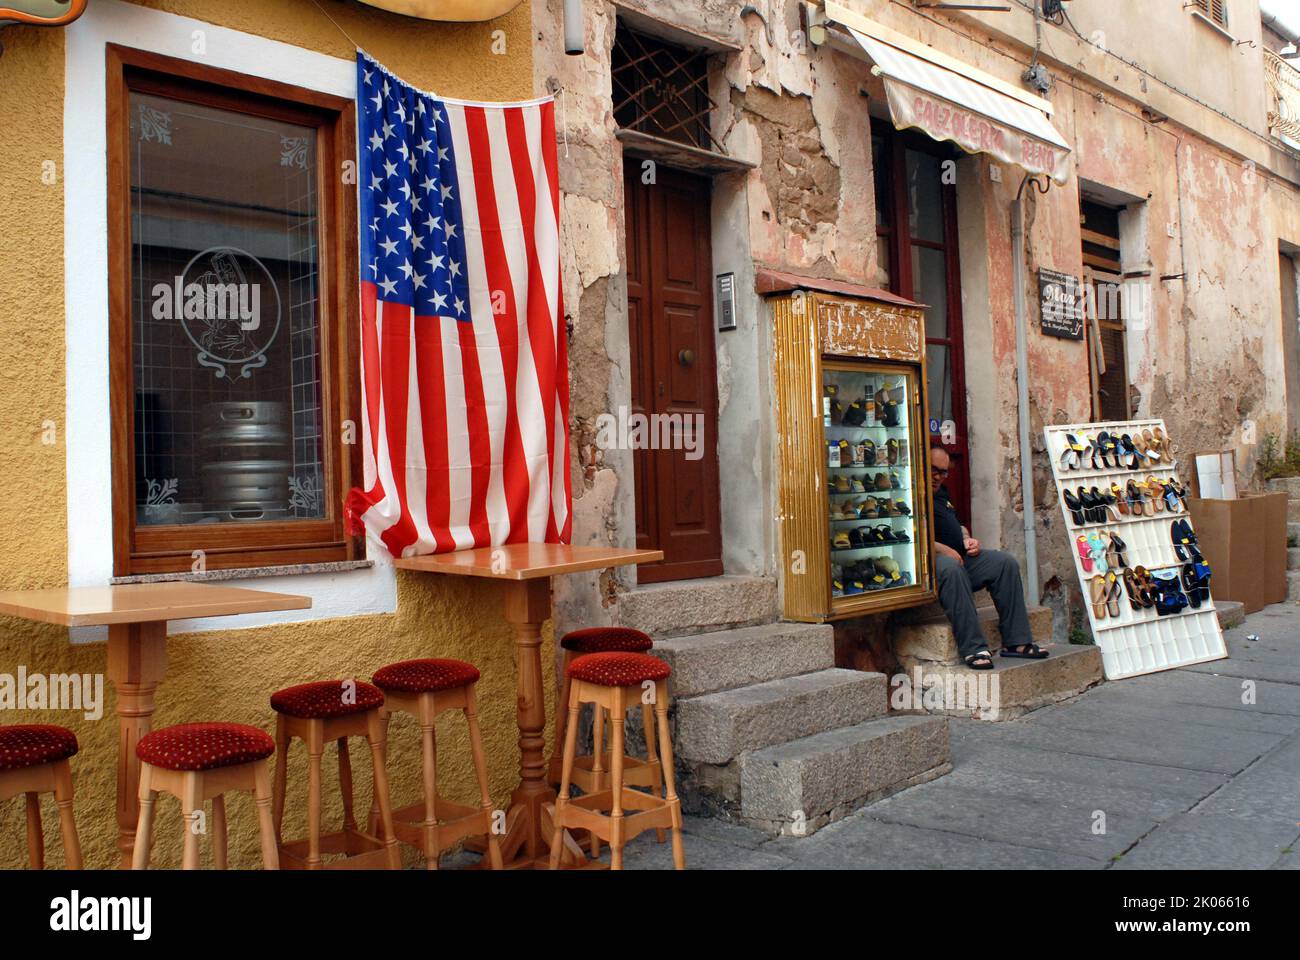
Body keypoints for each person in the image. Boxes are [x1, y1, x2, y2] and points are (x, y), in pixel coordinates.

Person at [929, 442, 1047, 669]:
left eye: (943, 472)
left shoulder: (941, 492)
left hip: (959, 557)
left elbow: (956, 524)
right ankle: (973, 648)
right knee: (952, 570)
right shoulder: (908, 492)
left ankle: (1017, 642)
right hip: (931, 562)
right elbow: (909, 538)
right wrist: (942, 549)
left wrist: (966, 539)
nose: (938, 477)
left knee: (1004, 563)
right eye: (933, 469)